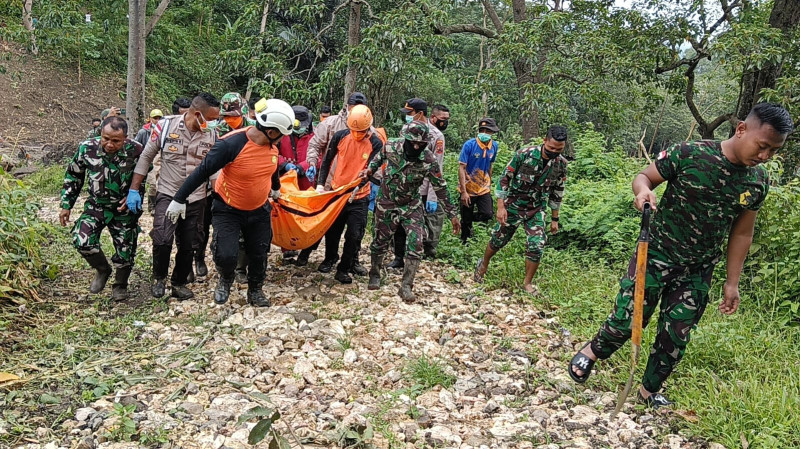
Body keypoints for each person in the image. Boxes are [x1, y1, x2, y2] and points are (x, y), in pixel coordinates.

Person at [567, 103, 793, 409]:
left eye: (773, 151)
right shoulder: (689, 153)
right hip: (657, 253)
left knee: (677, 333)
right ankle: (592, 351)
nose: (764, 156)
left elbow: (742, 233)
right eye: (762, 146)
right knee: (628, 320)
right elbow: (644, 177)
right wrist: (642, 192)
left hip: (698, 269)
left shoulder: (757, 180)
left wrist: (732, 282)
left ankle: (649, 390)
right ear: (742, 129)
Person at [168, 98, 294, 307]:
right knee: (227, 254)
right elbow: (203, 170)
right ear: (272, 131)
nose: (283, 140)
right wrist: (179, 199)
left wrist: (276, 188)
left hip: (259, 209)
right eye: (282, 135)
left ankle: (255, 290)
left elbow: (270, 168)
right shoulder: (231, 144)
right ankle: (225, 280)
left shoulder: (272, 147)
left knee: (259, 251)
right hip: (228, 208)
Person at [126, 93, 220, 300]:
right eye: (212, 120)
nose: (215, 124)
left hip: (196, 196)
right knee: (162, 238)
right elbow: (146, 157)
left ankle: (178, 282)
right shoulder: (165, 126)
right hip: (168, 192)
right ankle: (158, 278)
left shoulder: (212, 134)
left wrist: (219, 195)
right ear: (197, 114)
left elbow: (214, 169)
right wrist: (134, 189)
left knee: (189, 243)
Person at [362, 121, 461, 302]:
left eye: (420, 144)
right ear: (405, 138)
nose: (416, 146)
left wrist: (452, 214)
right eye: (412, 142)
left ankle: (406, 285)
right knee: (380, 241)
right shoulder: (391, 146)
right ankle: (375, 273)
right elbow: (377, 159)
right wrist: (369, 170)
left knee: (416, 242)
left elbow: (441, 188)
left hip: (411, 205)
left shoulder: (428, 159)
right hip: (387, 201)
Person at [474, 125, 568, 295]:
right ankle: (484, 264)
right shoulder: (524, 154)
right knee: (498, 239)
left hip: (536, 208)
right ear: (544, 141)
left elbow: (557, 192)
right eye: (551, 147)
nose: (554, 151)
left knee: (537, 244)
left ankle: (527, 283)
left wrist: (555, 219)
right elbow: (504, 179)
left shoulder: (561, 164)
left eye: (559, 149)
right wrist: (501, 206)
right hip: (513, 205)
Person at [59, 116, 144, 301]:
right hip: (96, 206)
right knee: (82, 240)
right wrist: (66, 205)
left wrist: (134, 193)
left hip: (123, 209)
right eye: (106, 138)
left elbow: (144, 176)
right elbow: (74, 175)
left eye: (116, 141)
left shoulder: (136, 150)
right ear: (100, 134)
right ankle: (102, 269)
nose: (110, 144)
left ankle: (120, 285)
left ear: (126, 138)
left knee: (126, 250)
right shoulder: (87, 148)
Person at [315, 105, 383, 283]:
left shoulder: (376, 143)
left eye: (360, 131)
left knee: (354, 234)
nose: (356, 134)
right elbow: (327, 159)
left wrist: (361, 183)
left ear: (368, 128)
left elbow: (372, 170)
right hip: (337, 192)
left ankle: (345, 267)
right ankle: (330, 258)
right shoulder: (341, 136)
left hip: (359, 196)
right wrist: (321, 184)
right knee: (332, 231)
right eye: (354, 130)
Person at [305, 92, 370, 271]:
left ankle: (352, 261)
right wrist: (312, 163)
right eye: (352, 108)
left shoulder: (367, 127)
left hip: (357, 188)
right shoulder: (331, 124)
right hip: (331, 184)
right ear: (346, 107)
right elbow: (315, 145)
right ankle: (330, 257)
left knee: (356, 230)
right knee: (332, 225)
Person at [201, 92, 255, 282]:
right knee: (221, 228)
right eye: (227, 117)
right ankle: (222, 264)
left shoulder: (254, 128)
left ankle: (241, 268)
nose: (230, 120)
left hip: (247, 183)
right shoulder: (215, 129)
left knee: (246, 230)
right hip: (219, 184)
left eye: (234, 116)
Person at [388, 102, 450, 268]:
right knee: (399, 223)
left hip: (421, 187)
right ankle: (398, 257)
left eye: (411, 112)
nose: (407, 115)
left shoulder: (435, 136)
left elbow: (437, 167)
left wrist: (432, 196)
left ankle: (415, 258)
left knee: (417, 226)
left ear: (420, 113)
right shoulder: (406, 128)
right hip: (402, 185)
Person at [458, 117, 500, 244]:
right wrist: (463, 191)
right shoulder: (469, 145)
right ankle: (465, 240)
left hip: (483, 187)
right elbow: (461, 168)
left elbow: (490, 165)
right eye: (484, 130)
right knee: (466, 219)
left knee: (488, 213)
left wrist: (490, 182)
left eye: (489, 131)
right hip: (468, 186)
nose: (487, 134)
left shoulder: (494, 146)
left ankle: (467, 220)